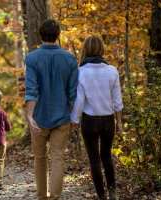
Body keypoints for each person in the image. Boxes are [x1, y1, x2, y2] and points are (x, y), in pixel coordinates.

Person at [25, 19, 78, 200]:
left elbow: (31, 90)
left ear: (41, 35)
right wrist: (74, 117)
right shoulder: (70, 59)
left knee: (39, 158)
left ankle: (42, 196)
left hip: (39, 116)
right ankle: (55, 196)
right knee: (57, 158)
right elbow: (73, 93)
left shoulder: (32, 58)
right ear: (58, 35)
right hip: (62, 116)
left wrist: (30, 116)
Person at [71, 36, 123, 200]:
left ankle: (102, 196)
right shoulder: (112, 70)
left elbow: (79, 101)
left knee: (94, 159)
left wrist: (74, 121)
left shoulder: (80, 72)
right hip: (108, 120)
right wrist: (119, 122)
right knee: (106, 156)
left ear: (85, 49)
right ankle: (113, 192)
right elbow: (117, 100)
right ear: (102, 49)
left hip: (90, 120)